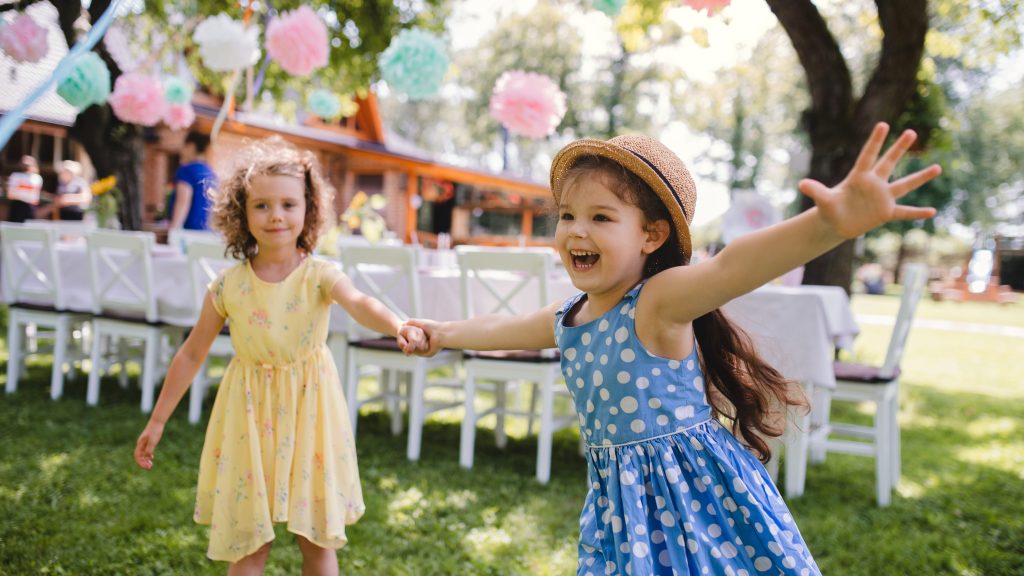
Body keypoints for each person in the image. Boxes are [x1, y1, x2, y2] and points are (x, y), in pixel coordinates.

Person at [404, 123, 941, 575]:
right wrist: (445, 333)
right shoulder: (571, 316)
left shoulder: (658, 303)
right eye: (567, 215)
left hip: (697, 497)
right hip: (622, 508)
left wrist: (829, 223)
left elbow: (734, 265)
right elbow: (505, 328)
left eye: (601, 217)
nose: (576, 231)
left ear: (652, 236)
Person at [133, 137, 427, 574]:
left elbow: (360, 303)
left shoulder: (319, 275)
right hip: (247, 418)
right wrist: (157, 421)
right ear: (240, 212)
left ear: (308, 209)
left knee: (316, 540)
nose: (276, 216)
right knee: (249, 545)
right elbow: (192, 353)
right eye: (262, 205)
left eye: (289, 204)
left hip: (311, 413)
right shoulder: (227, 285)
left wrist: (398, 324)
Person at [169, 131, 217, 230]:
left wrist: (173, 230)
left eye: (184, 146)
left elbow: (183, 200)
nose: (181, 150)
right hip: (207, 231)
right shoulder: (211, 173)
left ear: (191, 146)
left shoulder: (186, 170)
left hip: (189, 232)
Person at [5, 155, 43, 222]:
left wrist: (20, 192)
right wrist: (25, 195)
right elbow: (10, 195)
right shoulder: (15, 176)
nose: (26, 165)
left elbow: (34, 198)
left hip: (30, 208)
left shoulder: (37, 178)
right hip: (17, 207)